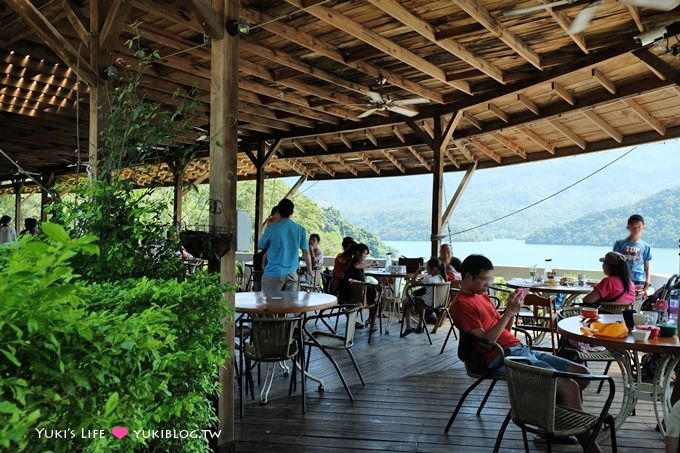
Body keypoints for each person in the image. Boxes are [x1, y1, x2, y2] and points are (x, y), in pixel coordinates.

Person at [451, 255, 600, 451]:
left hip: (520, 350)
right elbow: (487, 343)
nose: (488, 284)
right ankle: (590, 446)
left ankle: (551, 429)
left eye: (489, 279)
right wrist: (509, 313)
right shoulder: (461, 304)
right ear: (468, 277)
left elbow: (503, 330)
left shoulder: (481, 296)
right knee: (568, 385)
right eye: (484, 279)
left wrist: (513, 310)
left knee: (581, 374)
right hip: (501, 357)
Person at [257, 199, 312, 292]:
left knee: (271, 305)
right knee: (290, 306)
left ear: (278, 210)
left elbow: (261, 245)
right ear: (292, 212)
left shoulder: (272, 228)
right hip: (292, 275)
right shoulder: (300, 229)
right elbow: (306, 252)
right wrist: (309, 270)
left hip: (273, 274)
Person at [339, 243, 380, 329]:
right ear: (358, 253)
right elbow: (357, 265)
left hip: (348, 292)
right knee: (377, 296)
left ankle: (370, 320)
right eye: (364, 254)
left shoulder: (349, 260)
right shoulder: (354, 262)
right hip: (356, 294)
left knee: (373, 292)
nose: (364, 256)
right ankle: (372, 320)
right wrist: (371, 264)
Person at [401, 258, 445, 336]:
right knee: (422, 298)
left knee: (406, 301)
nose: (426, 269)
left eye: (428, 267)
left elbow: (413, 283)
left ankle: (409, 326)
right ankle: (420, 326)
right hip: (439, 304)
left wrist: (418, 271)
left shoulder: (429, 280)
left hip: (429, 303)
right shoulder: (442, 279)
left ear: (434, 269)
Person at [613, 214, 652, 296]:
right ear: (628, 227)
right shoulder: (619, 244)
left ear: (643, 227)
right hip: (621, 278)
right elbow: (613, 263)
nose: (636, 229)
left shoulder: (646, 246)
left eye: (639, 226)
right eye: (633, 226)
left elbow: (647, 267)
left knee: (635, 302)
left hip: (638, 279)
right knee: (622, 300)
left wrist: (647, 281)